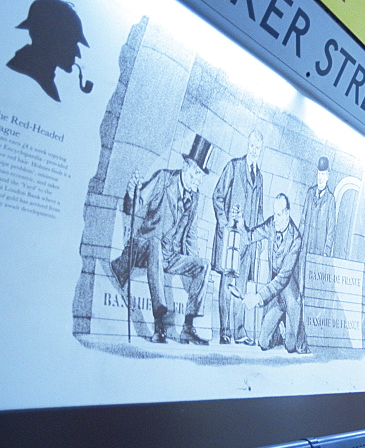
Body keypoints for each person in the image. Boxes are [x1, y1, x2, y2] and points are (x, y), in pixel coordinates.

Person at [111, 134, 212, 345]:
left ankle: (188, 327)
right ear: (185, 167)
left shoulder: (195, 197)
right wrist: (130, 194)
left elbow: (191, 235)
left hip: (169, 255)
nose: (197, 180)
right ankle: (159, 323)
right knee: (155, 241)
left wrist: (191, 267)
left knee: (203, 265)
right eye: (195, 174)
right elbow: (136, 204)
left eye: (201, 177)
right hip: (144, 247)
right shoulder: (163, 179)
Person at [211, 130, 264, 345]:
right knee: (227, 283)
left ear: (260, 151)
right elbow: (217, 196)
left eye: (257, 147)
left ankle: (239, 330)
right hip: (231, 237)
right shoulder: (233, 166)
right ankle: (225, 330)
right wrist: (224, 225)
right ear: (247, 145)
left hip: (248, 240)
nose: (254, 149)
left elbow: (260, 209)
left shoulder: (259, 176)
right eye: (251, 145)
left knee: (241, 287)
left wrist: (258, 238)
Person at [239, 193, 308, 354]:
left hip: (290, 292)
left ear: (287, 214)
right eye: (274, 214)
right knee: (263, 342)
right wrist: (242, 225)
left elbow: (283, 278)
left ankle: (295, 330)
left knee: (291, 347)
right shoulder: (271, 224)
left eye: (278, 215)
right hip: (275, 294)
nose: (274, 218)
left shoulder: (296, 239)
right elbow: (250, 237)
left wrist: (258, 297)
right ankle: (279, 327)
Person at [7, 0, 93, 102]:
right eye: (71, 43)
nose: (77, 53)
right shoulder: (21, 78)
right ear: (49, 38)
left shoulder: (43, 78)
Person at [299, 156, 336, 258]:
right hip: (306, 248)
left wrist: (326, 252)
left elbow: (331, 230)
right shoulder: (310, 193)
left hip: (319, 252)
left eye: (323, 174)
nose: (320, 177)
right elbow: (303, 220)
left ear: (327, 176)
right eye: (319, 174)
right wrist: (298, 243)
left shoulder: (330, 200)